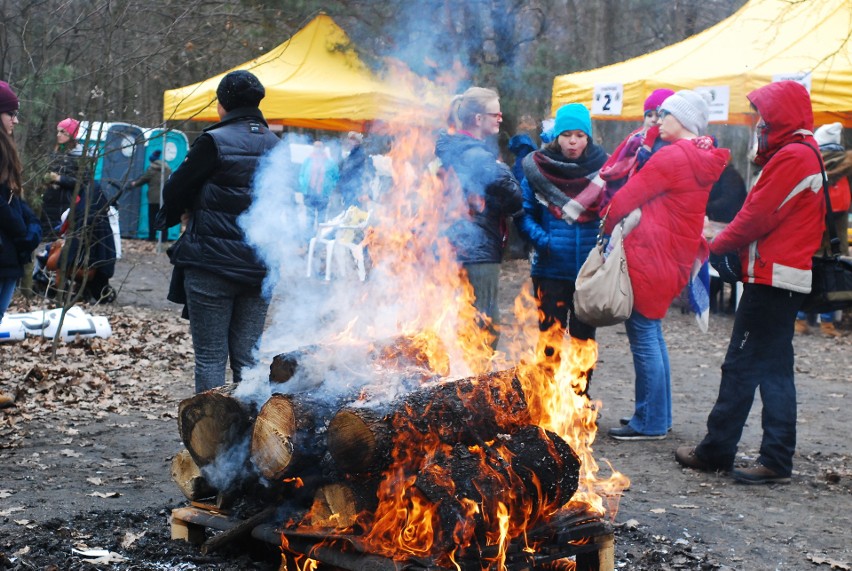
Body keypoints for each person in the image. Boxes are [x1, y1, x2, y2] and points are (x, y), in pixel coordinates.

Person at [675, 81, 825, 484]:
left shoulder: (793, 156)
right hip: (782, 278)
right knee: (775, 371)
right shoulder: (801, 153)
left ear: (779, 117)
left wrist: (715, 245)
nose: (759, 124)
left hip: (773, 280)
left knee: (740, 366)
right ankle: (775, 458)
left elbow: (756, 215)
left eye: (764, 116)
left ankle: (716, 451)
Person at [603, 90, 730, 440]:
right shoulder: (698, 157)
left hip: (652, 254)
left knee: (643, 334)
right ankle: (656, 415)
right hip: (672, 255)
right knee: (651, 333)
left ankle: (651, 422)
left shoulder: (674, 157)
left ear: (683, 120)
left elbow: (627, 197)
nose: (658, 120)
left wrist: (606, 226)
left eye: (665, 115)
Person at [160, 70, 280, 393]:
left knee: (211, 358)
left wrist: (180, 212)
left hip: (211, 266)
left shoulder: (213, 142)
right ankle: (251, 438)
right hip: (258, 269)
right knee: (248, 362)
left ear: (222, 105)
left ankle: (211, 444)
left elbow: (174, 190)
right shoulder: (278, 146)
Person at [514, 103, 608, 395]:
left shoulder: (603, 170)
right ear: (557, 136)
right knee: (550, 336)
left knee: (583, 340)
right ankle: (546, 396)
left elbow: (613, 212)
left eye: (579, 135)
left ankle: (578, 398)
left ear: (588, 137)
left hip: (588, 271)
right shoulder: (537, 167)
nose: (573, 141)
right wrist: (545, 241)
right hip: (550, 269)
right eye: (567, 134)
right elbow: (523, 213)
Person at [434, 86, 523, 353]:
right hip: (478, 250)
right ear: (478, 119)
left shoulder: (455, 149)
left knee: (461, 319)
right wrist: (505, 169)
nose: (500, 118)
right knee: (485, 323)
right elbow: (515, 197)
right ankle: (476, 385)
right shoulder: (477, 156)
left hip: (455, 246)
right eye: (495, 113)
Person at [0, 81, 41, 407]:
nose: (15, 120)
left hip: (9, 255)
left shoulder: (6, 150)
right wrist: (23, 232)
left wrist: (33, 224)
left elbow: (14, 198)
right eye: (10, 113)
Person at [794, 122, 850, 337]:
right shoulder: (845, 163)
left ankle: (799, 320)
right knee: (831, 277)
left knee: (806, 276)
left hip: (811, 232)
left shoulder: (810, 160)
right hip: (834, 236)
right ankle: (827, 324)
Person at [599, 88, 674, 210]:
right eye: (649, 115)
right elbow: (621, 166)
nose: (653, 120)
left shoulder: (671, 141)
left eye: (659, 115)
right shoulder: (636, 139)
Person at [41, 117, 87, 238]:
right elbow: (46, 174)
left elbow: (82, 183)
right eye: (58, 131)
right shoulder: (55, 153)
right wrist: (46, 179)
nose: (58, 135)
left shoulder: (79, 156)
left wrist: (59, 179)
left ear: (72, 134)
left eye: (62, 132)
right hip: (49, 205)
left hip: (67, 207)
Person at [130, 150, 172, 242]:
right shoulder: (167, 169)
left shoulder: (151, 170)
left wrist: (134, 183)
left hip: (153, 199)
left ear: (151, 161)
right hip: (165, 198)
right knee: (164, 218)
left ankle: (152, 237)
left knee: (152, 218)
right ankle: (164, 238)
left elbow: (143, 180)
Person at [299, 140, 339, 231]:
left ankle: (319, 241)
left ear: (323, 148)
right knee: (309, 219)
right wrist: (302, 185)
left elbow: (336, 177)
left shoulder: (330, 162)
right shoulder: (308, 160)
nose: (317, 148)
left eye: (319, 146)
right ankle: (308, 241)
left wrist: (330, 187)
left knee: (321, 219)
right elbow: (301, 174)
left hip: (323, 194)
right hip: (309, 193)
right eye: (316, 146)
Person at [336, 131, 373, 209]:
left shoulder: (363, 155)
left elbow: (369, 174)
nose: (350, 141)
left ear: (358, 141)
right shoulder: (350, 156)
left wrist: (367, 193)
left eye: (353, 139)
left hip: (357, 194)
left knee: (356, 216)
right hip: (347, 192)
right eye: (350, 139)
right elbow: (344, 174)